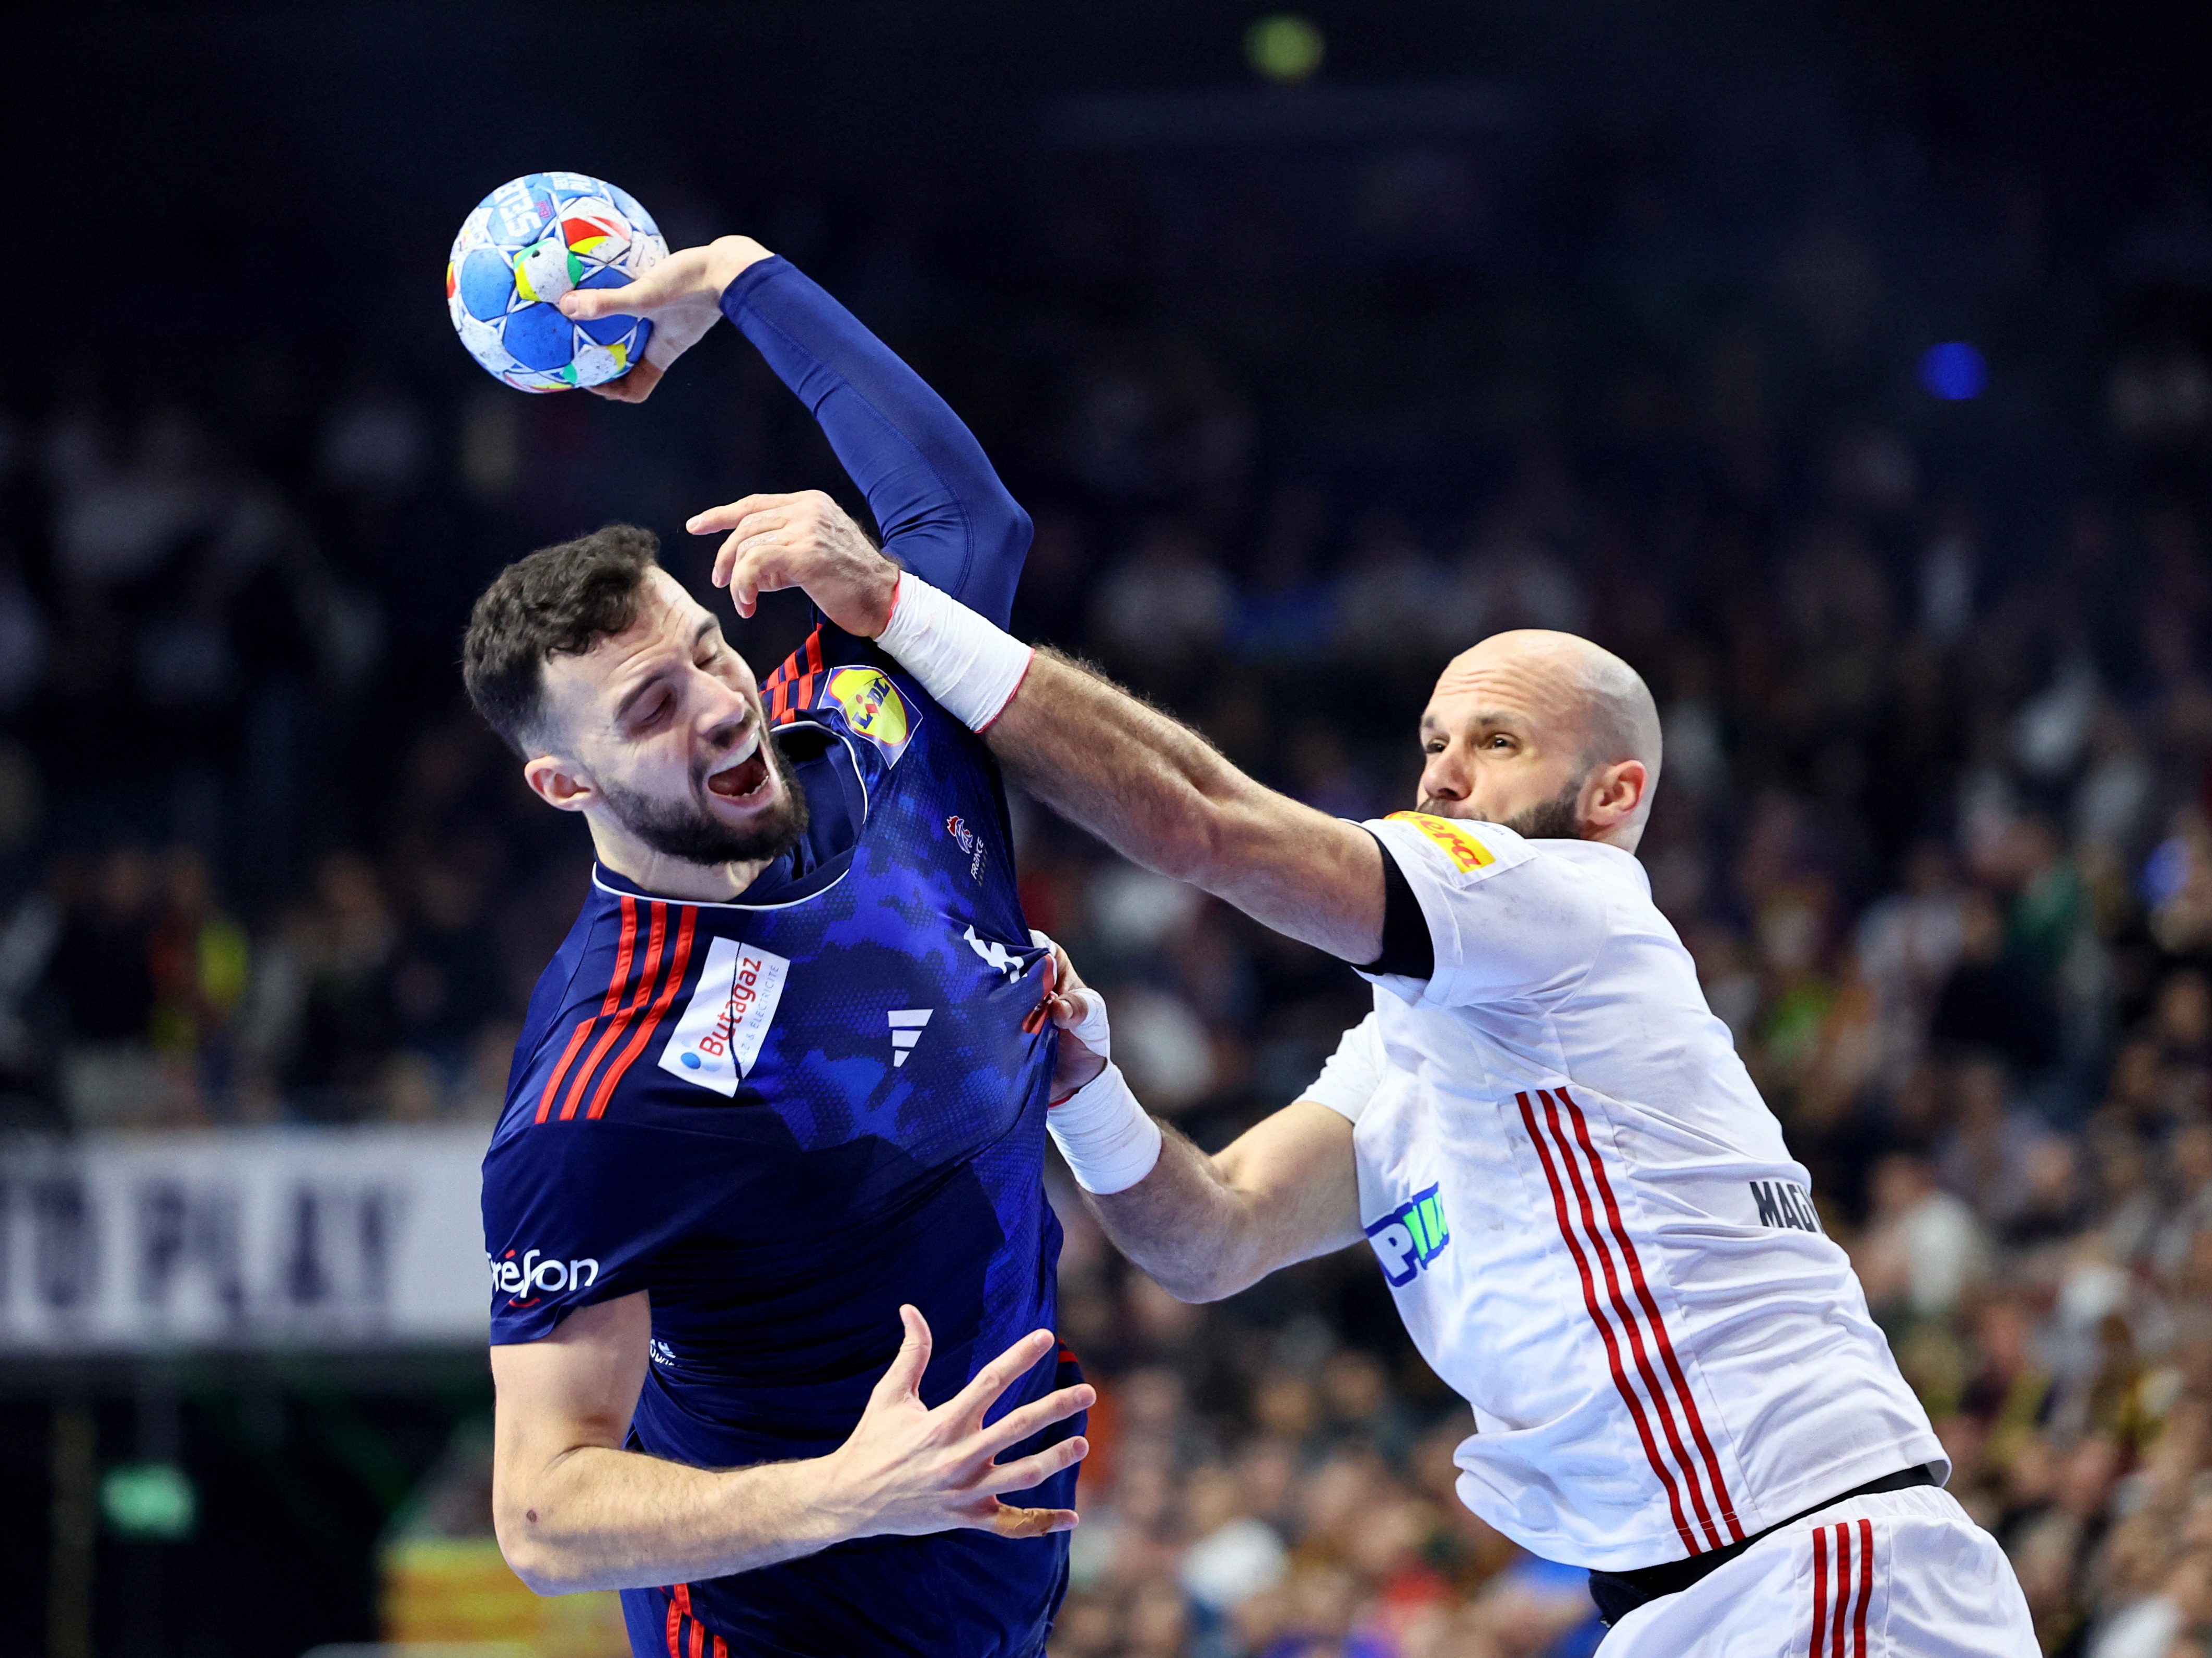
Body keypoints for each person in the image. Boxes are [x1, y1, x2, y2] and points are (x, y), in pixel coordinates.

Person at [637, 484, 2041, 1652]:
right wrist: (1086, 1084)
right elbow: (1214, 1239)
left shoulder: (1568, 902)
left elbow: (1203, 824)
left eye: (1496, 742)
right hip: (1694, 1598)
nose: (1442, 776)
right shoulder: (1420, 1041)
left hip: (1818, 1564)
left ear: (1612, 796)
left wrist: (895, 609)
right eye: (1432, 743)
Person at [466, 236, 1096, 1658]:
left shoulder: (870, 717)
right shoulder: (602, 1083)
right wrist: (844, 1496)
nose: (714, 706)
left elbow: (966, 521)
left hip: (997, 1610)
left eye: (706, 651)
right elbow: (543, 1513)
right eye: (648, 711)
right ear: (563, 784)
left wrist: (743, 284)